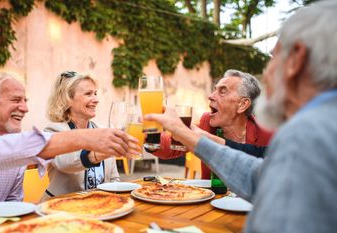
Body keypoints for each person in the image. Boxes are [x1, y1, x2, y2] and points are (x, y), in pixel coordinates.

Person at [145, 1, 337, 232]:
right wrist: (170, 136)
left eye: (273, 58)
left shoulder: (306, 131)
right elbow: (261, 177)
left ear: (297, 58)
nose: (266, 73)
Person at [0, 72, 139, 232]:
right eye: (16, 100)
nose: (25, 108)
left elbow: (13, 209)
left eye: (25, 101)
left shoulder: (17, 146)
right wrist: (87, 139)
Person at [152, 69, 272, 178]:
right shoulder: (207, 123)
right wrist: (151, 131)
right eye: (214, 90)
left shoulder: (267, 135)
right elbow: (171, 148)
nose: (210, 96)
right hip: (211, 200)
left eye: (222, 91)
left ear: (242, 105)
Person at [40, 71, 119, 201]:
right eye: (88, 94)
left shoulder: (103, 130)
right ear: (67, 100)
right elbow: (65, 163)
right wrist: (98, 153)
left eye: (95, 93)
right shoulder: (53, 130)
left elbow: (113, 179)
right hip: (62, 207)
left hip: (100, 207)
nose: (96, 100)